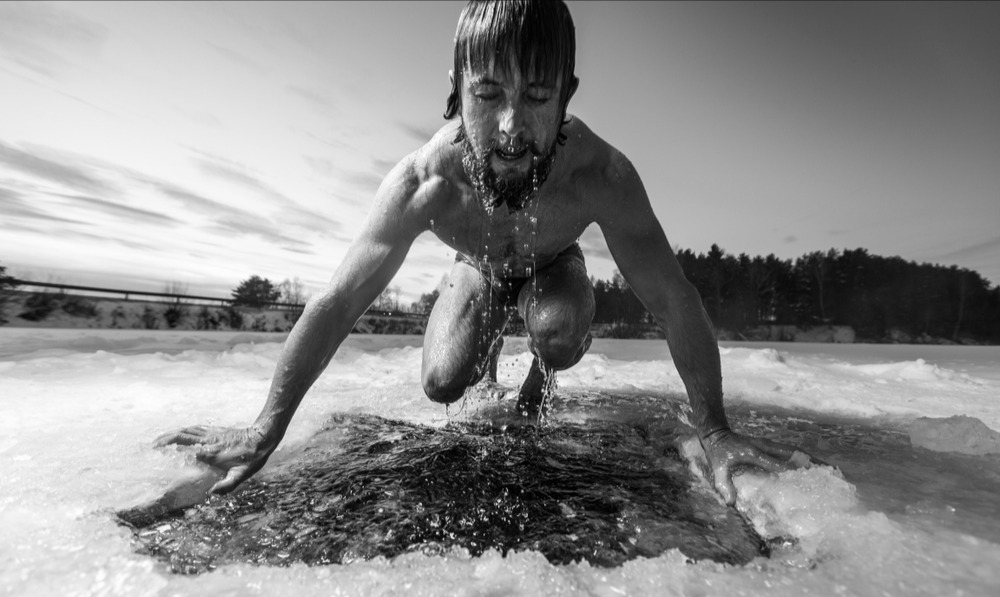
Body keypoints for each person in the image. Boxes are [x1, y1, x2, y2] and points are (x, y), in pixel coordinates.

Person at [156, 0, 811, 507]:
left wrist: (717, 432)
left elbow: (672, 296)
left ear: (567, 94)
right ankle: (492, 323)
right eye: (489, 93)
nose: (510, 129)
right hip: (477, 269)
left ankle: (540, 366)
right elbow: (339, 299)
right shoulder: (425, 182)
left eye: (536, 97)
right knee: (442, 383)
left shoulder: (599, 175)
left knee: (555, 337)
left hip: (554, 267)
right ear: (457, 86)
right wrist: (264, 429)